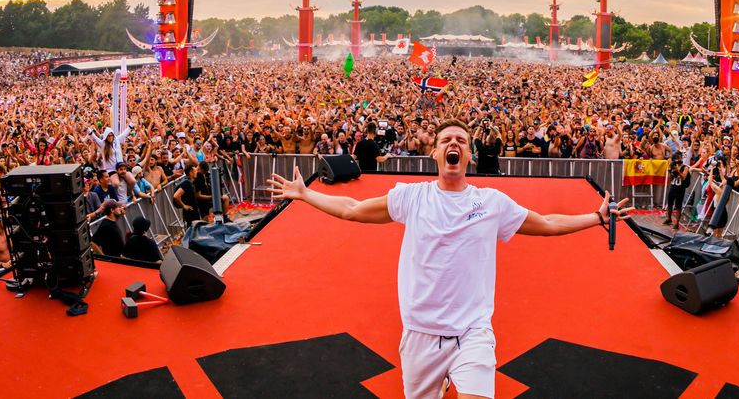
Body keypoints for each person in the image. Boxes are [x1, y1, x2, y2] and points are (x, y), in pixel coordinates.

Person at [267, 119, 631, 399]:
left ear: (469, 154)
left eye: (461, 140)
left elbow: (548, 223)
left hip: (472, 331)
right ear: (435, 153)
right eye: (446, 140)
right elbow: (352, 208)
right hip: (420, 333)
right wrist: (305, 195)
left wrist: (596, 218)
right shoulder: (411, 197)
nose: (453, 144)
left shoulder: (492, 203)